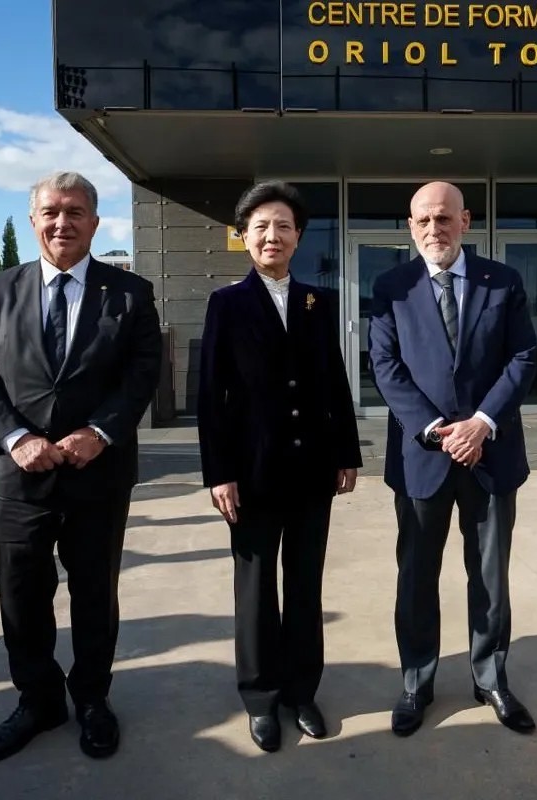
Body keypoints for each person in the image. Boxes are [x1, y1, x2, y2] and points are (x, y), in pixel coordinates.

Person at [0, 171, 162, 764]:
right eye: (50, 212)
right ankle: (38, 701)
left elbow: (142, 373)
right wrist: (15, 437)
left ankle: (93, 699)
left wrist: (100, 432)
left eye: (75, 212)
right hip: (20, 477)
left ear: (94, 223)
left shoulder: (131, 293)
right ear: (33, 221)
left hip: (99, 474)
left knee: (95, 593)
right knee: (22, 596)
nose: (62, 222)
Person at [197, 180, 362, 753]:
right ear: (244, 236)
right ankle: (261, 697)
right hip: (252, 473)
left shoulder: (319, 302)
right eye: (262, 226)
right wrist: (219, 473)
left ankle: (301, 691)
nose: (273, 235)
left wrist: (347, 452)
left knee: (305, 585)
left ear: (298, 237)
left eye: (284, 226)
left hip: (312, 469)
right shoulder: (226, 304)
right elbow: (210, 395)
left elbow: (334, 380)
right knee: (256, 590)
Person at [369, 181, 537, 736]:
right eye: (422, 220)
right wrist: (436, 430)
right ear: (410, 226)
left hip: (491, 455)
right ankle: (416, 682)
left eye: (443, 218)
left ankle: (490, 679)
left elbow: (522, 357)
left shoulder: (503, 281)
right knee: (417, 576)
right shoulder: (391, 287)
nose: (433, 229)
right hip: (423, 457)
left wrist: (482, 422)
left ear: (465, 221)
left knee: (489, 576)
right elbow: (385, 365)